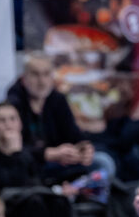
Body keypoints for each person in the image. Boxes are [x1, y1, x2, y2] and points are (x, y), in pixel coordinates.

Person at [7, 52, 110, 184]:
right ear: (24, 78)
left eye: (46, 74)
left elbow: (74, 134)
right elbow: (11, 149)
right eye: (35, 74)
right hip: (32, 166)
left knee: (102, 162)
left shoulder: (57, 99)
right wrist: (48, 154)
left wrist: (84, 148)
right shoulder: (13, 104)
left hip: (61, 163)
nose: (42, 81)